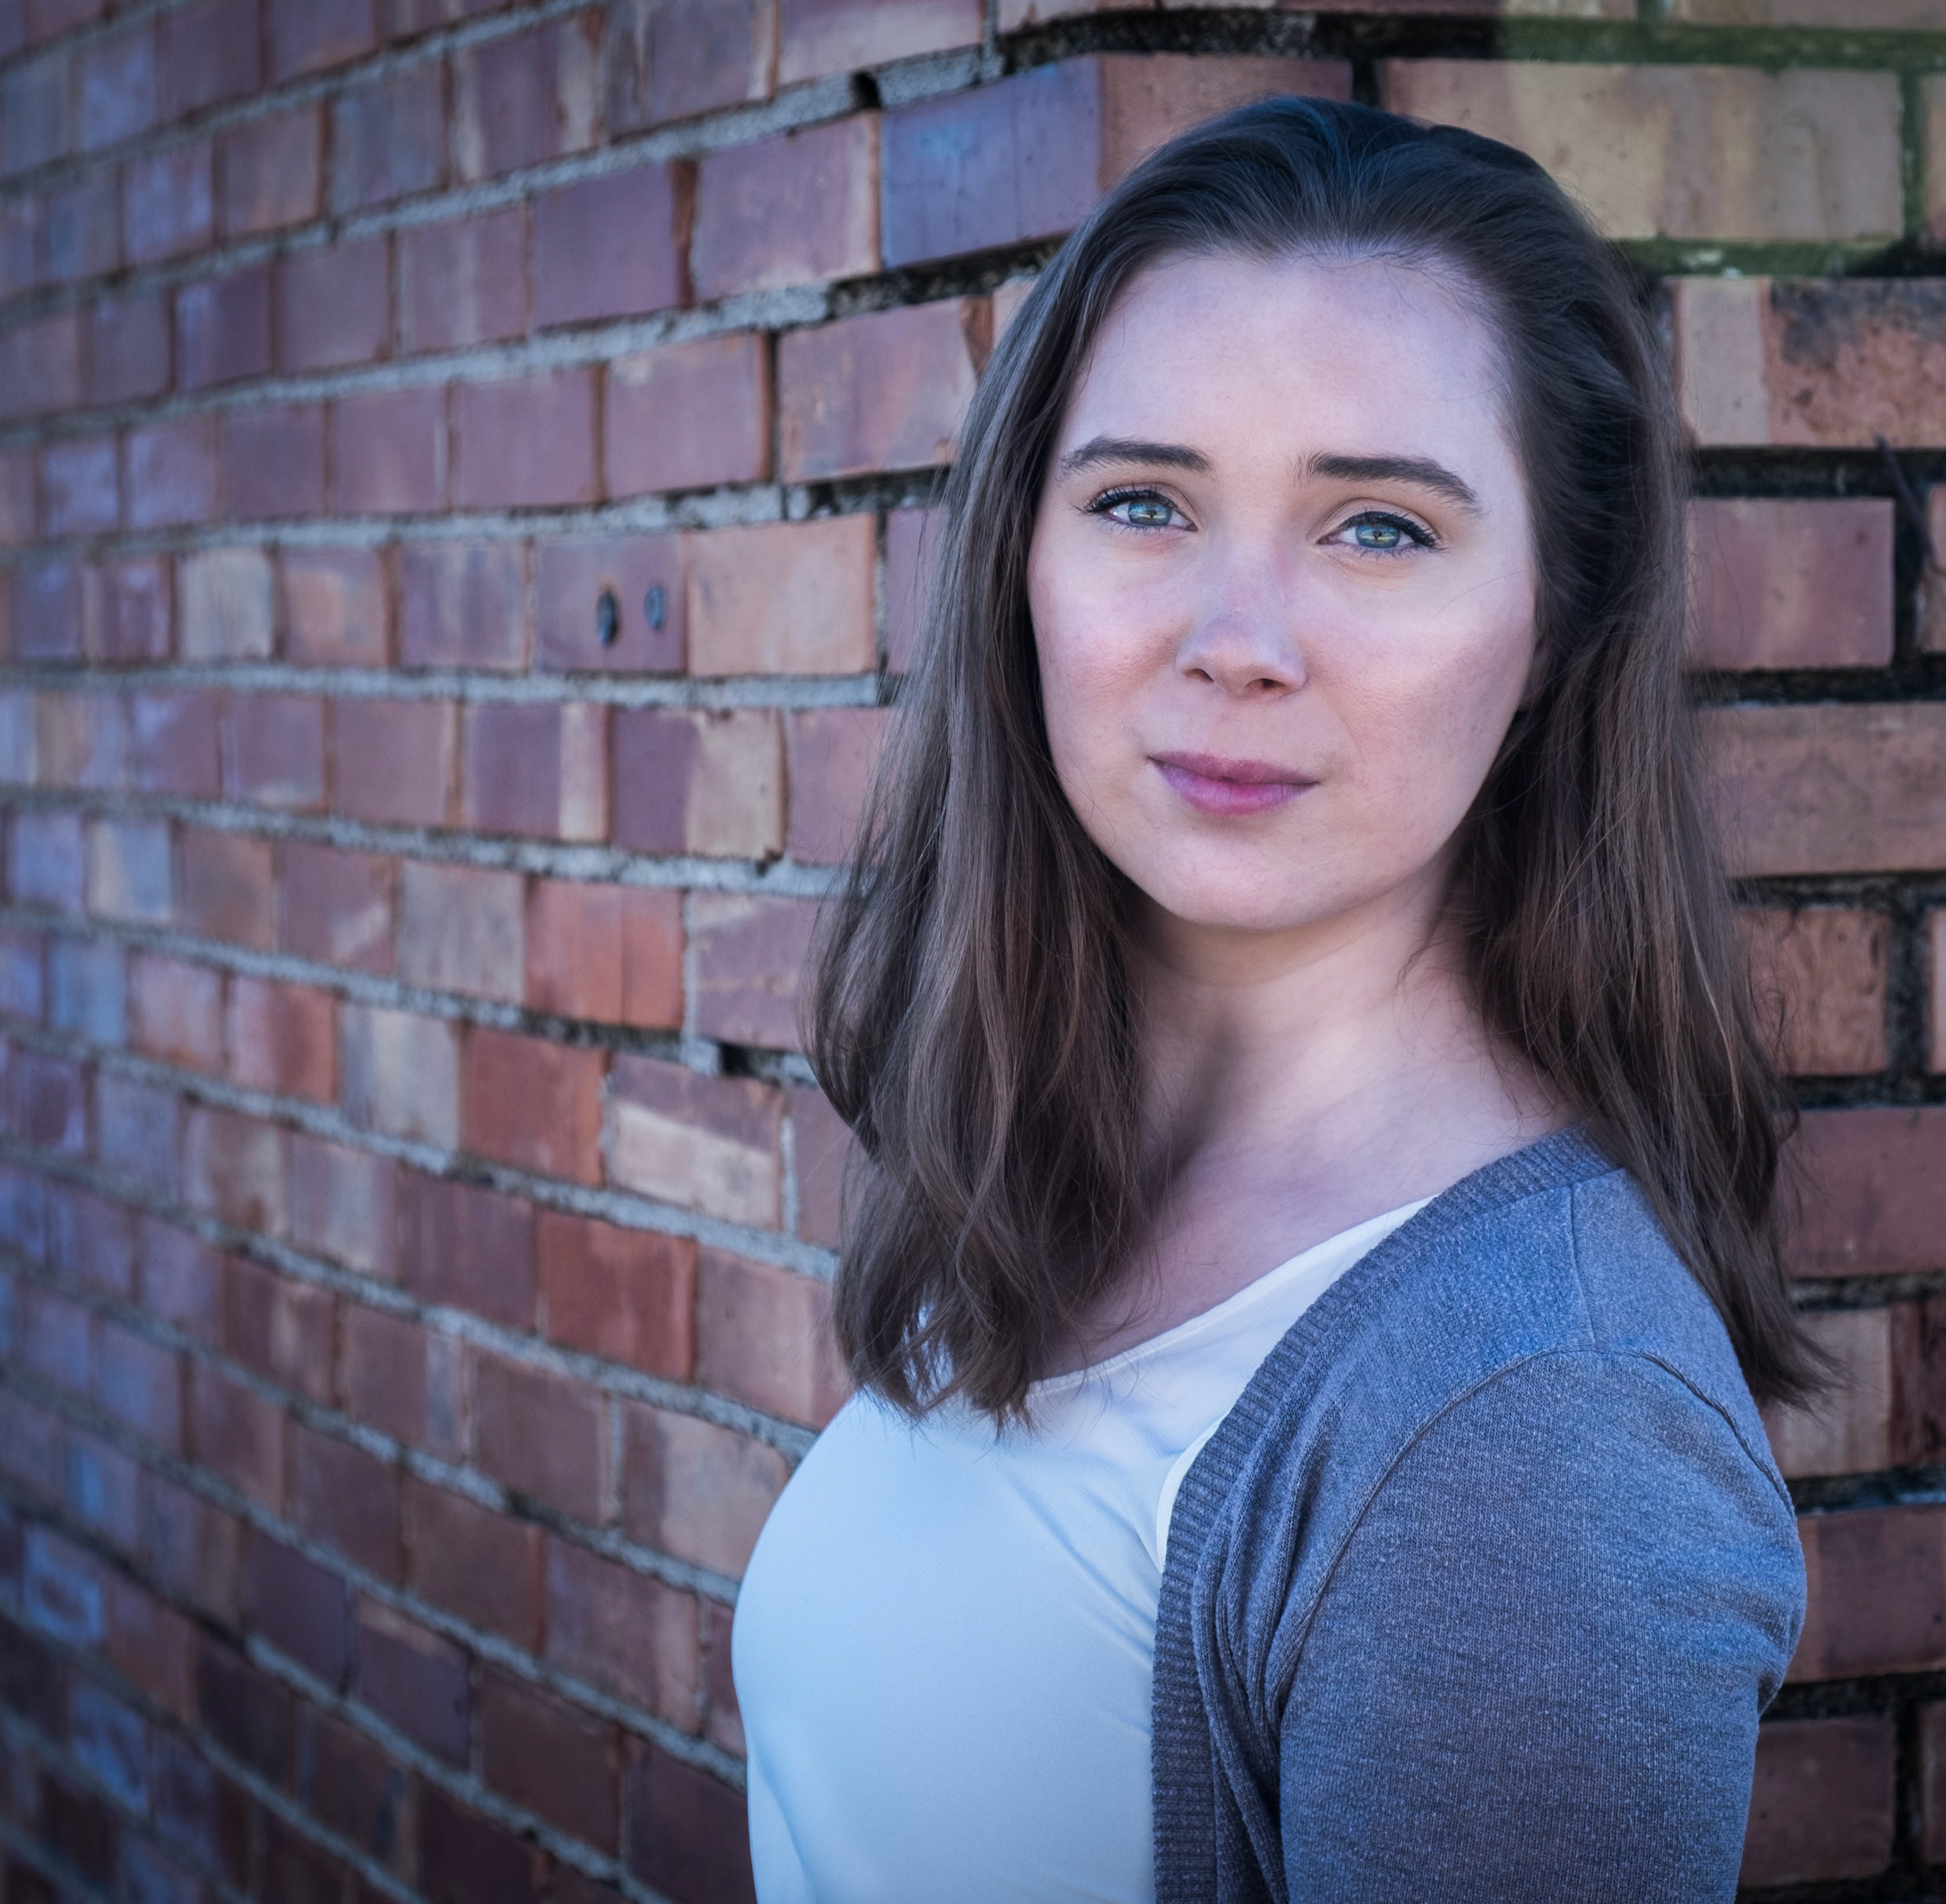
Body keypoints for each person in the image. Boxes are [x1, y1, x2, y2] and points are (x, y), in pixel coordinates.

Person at [731, 96, 1816, 1903]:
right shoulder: (1041, 1151)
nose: (1238, 636)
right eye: (1144, 502)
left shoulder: (1532, 1427)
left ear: (1554, 629)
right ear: (1023, 566)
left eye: (1378, 528)